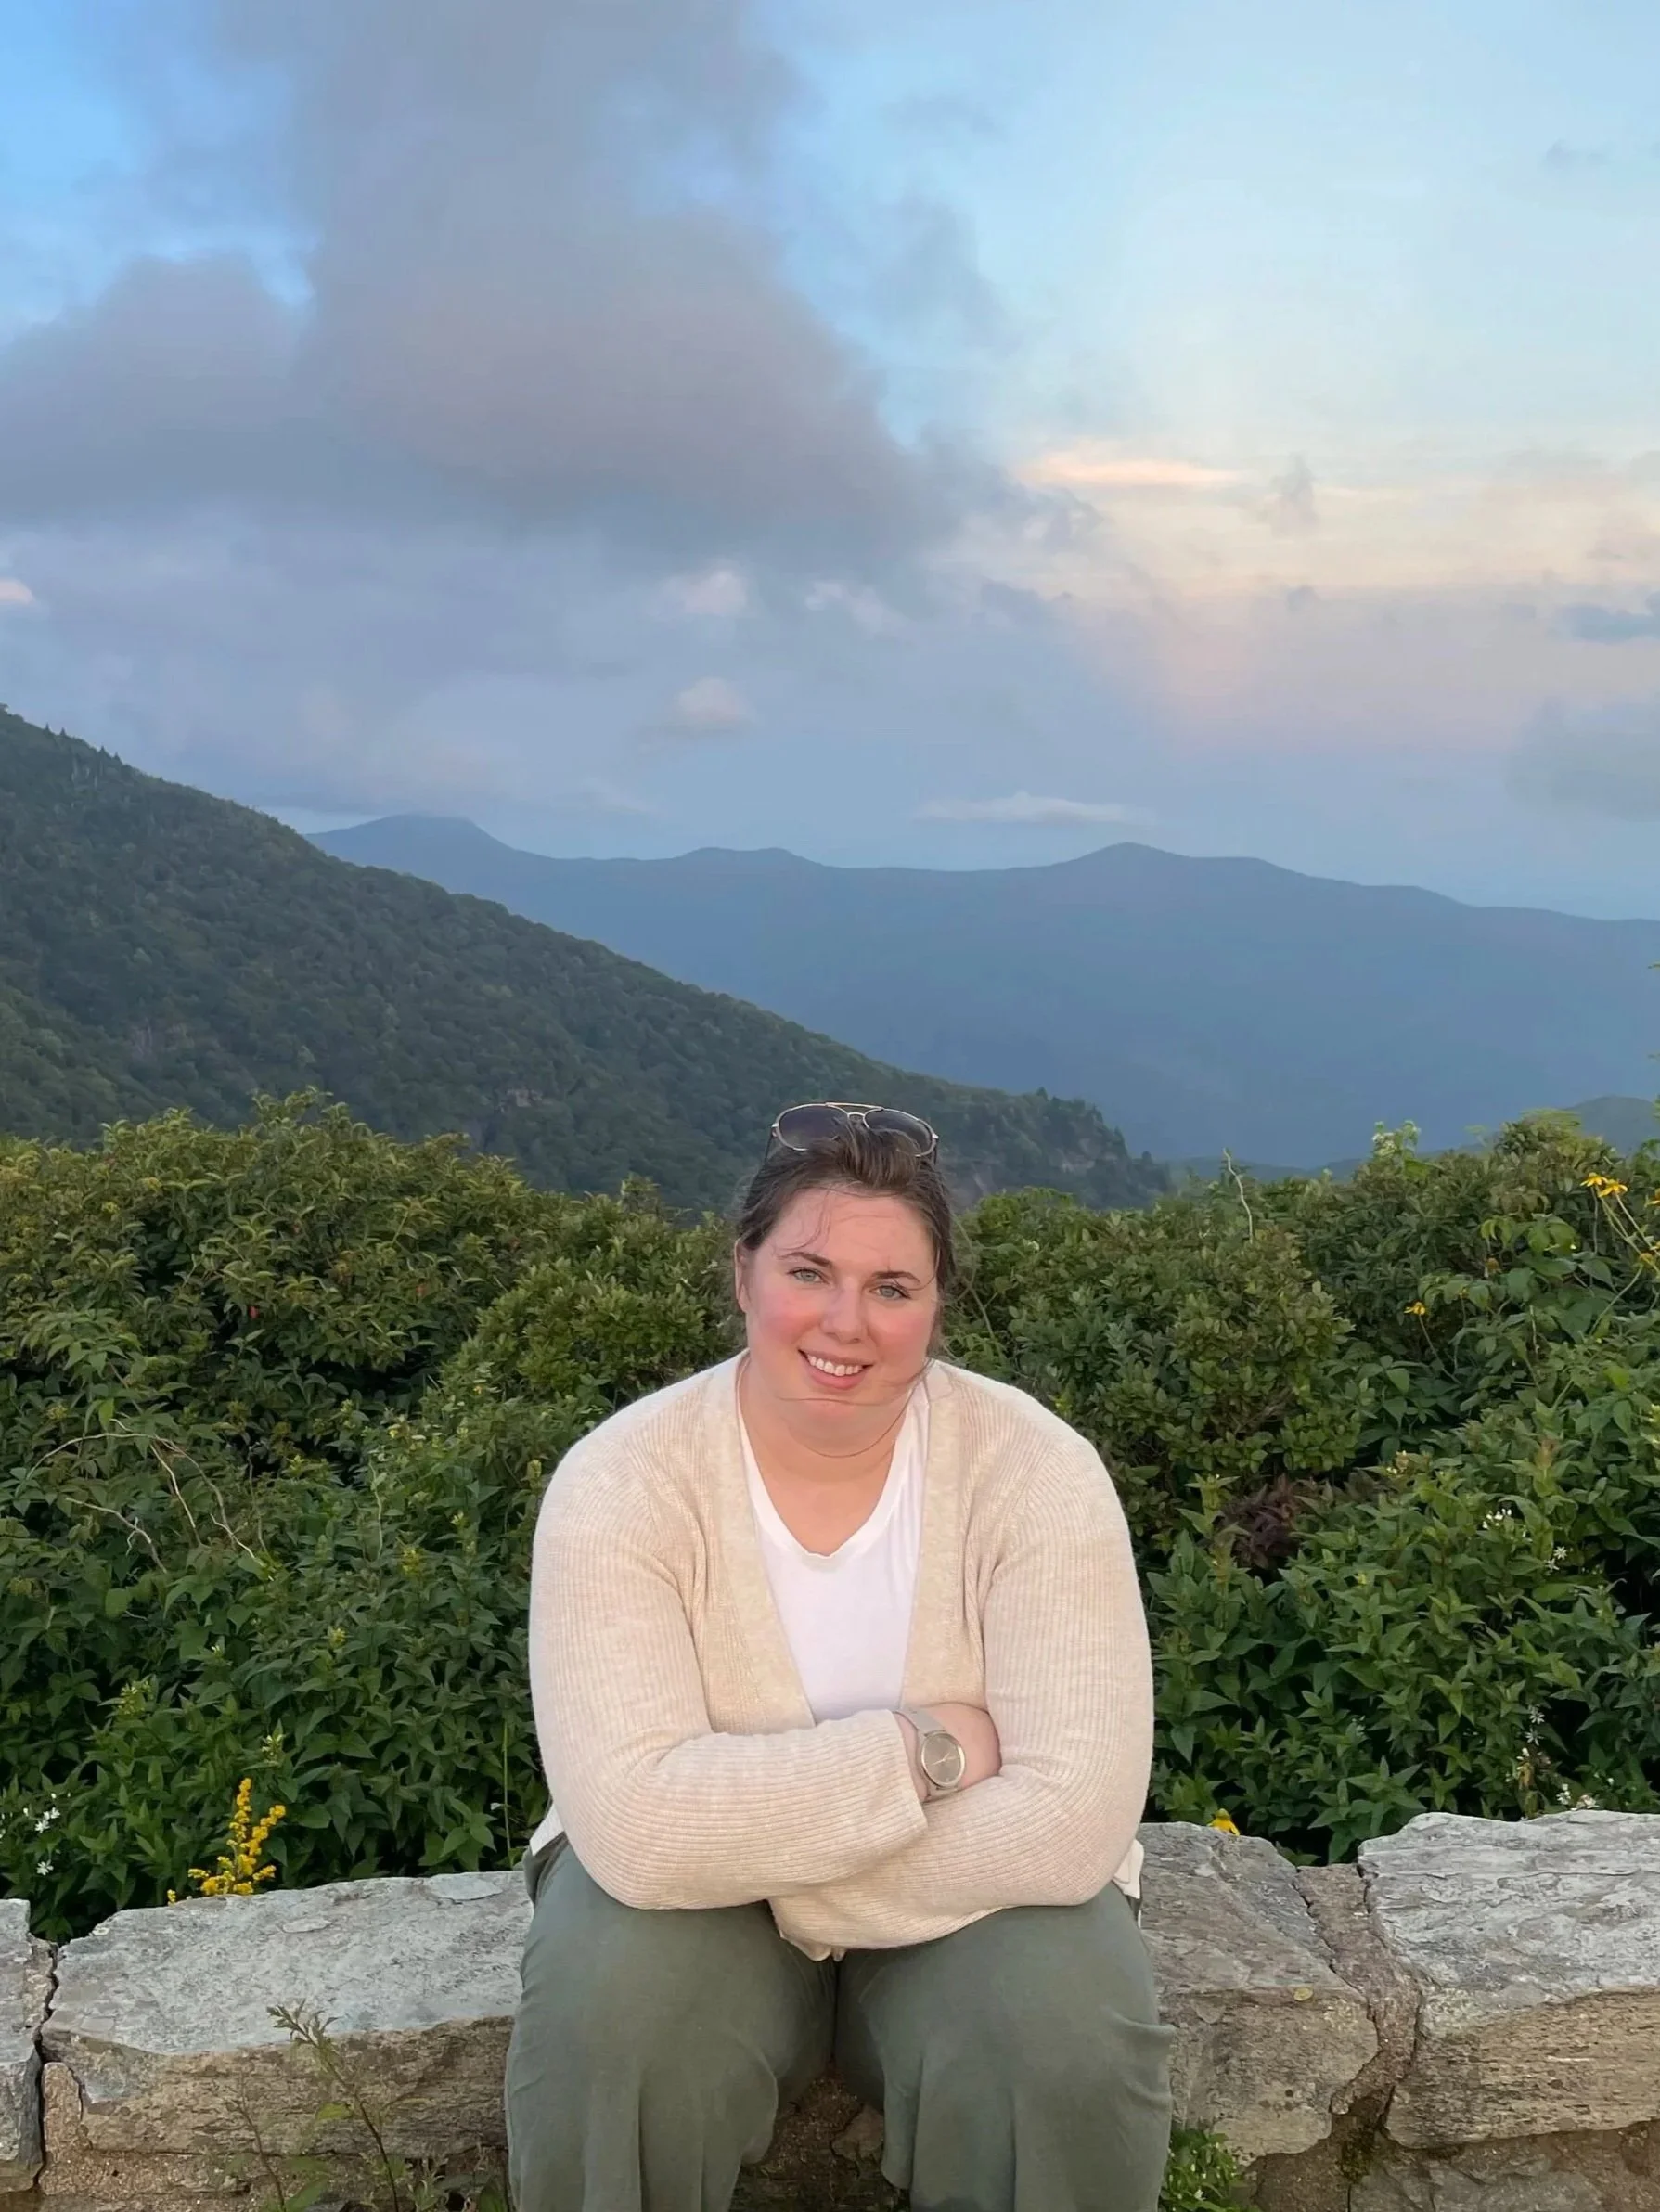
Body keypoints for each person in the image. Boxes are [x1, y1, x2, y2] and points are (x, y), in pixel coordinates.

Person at [506, 1102, 1173, 2212]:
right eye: (809, 1271)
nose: (845, 1321)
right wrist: (923, 1749)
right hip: (684, 1906)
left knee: (1063, 2035)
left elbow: (1069, 1820)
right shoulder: (621, 1480)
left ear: (936, 1307)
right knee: (611, 2015)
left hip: (970, 1894)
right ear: (743, 1274)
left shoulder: (1035, 1470)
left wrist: (767, 1869)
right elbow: (633, 1824)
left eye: (891, 1287)